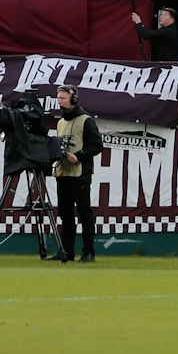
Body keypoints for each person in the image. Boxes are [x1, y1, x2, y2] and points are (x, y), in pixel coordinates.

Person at [52, 85, 102, 263]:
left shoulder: (86, 120)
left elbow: (97, 145)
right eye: (58, 98)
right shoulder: (60, 122)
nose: (60, 102)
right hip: (63, 172)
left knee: (84, 213)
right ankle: (67, 251)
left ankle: (89, 251)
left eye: (63, 98)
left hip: (80, 174)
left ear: (73, 99)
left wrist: (79, 156)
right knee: (65, 214)